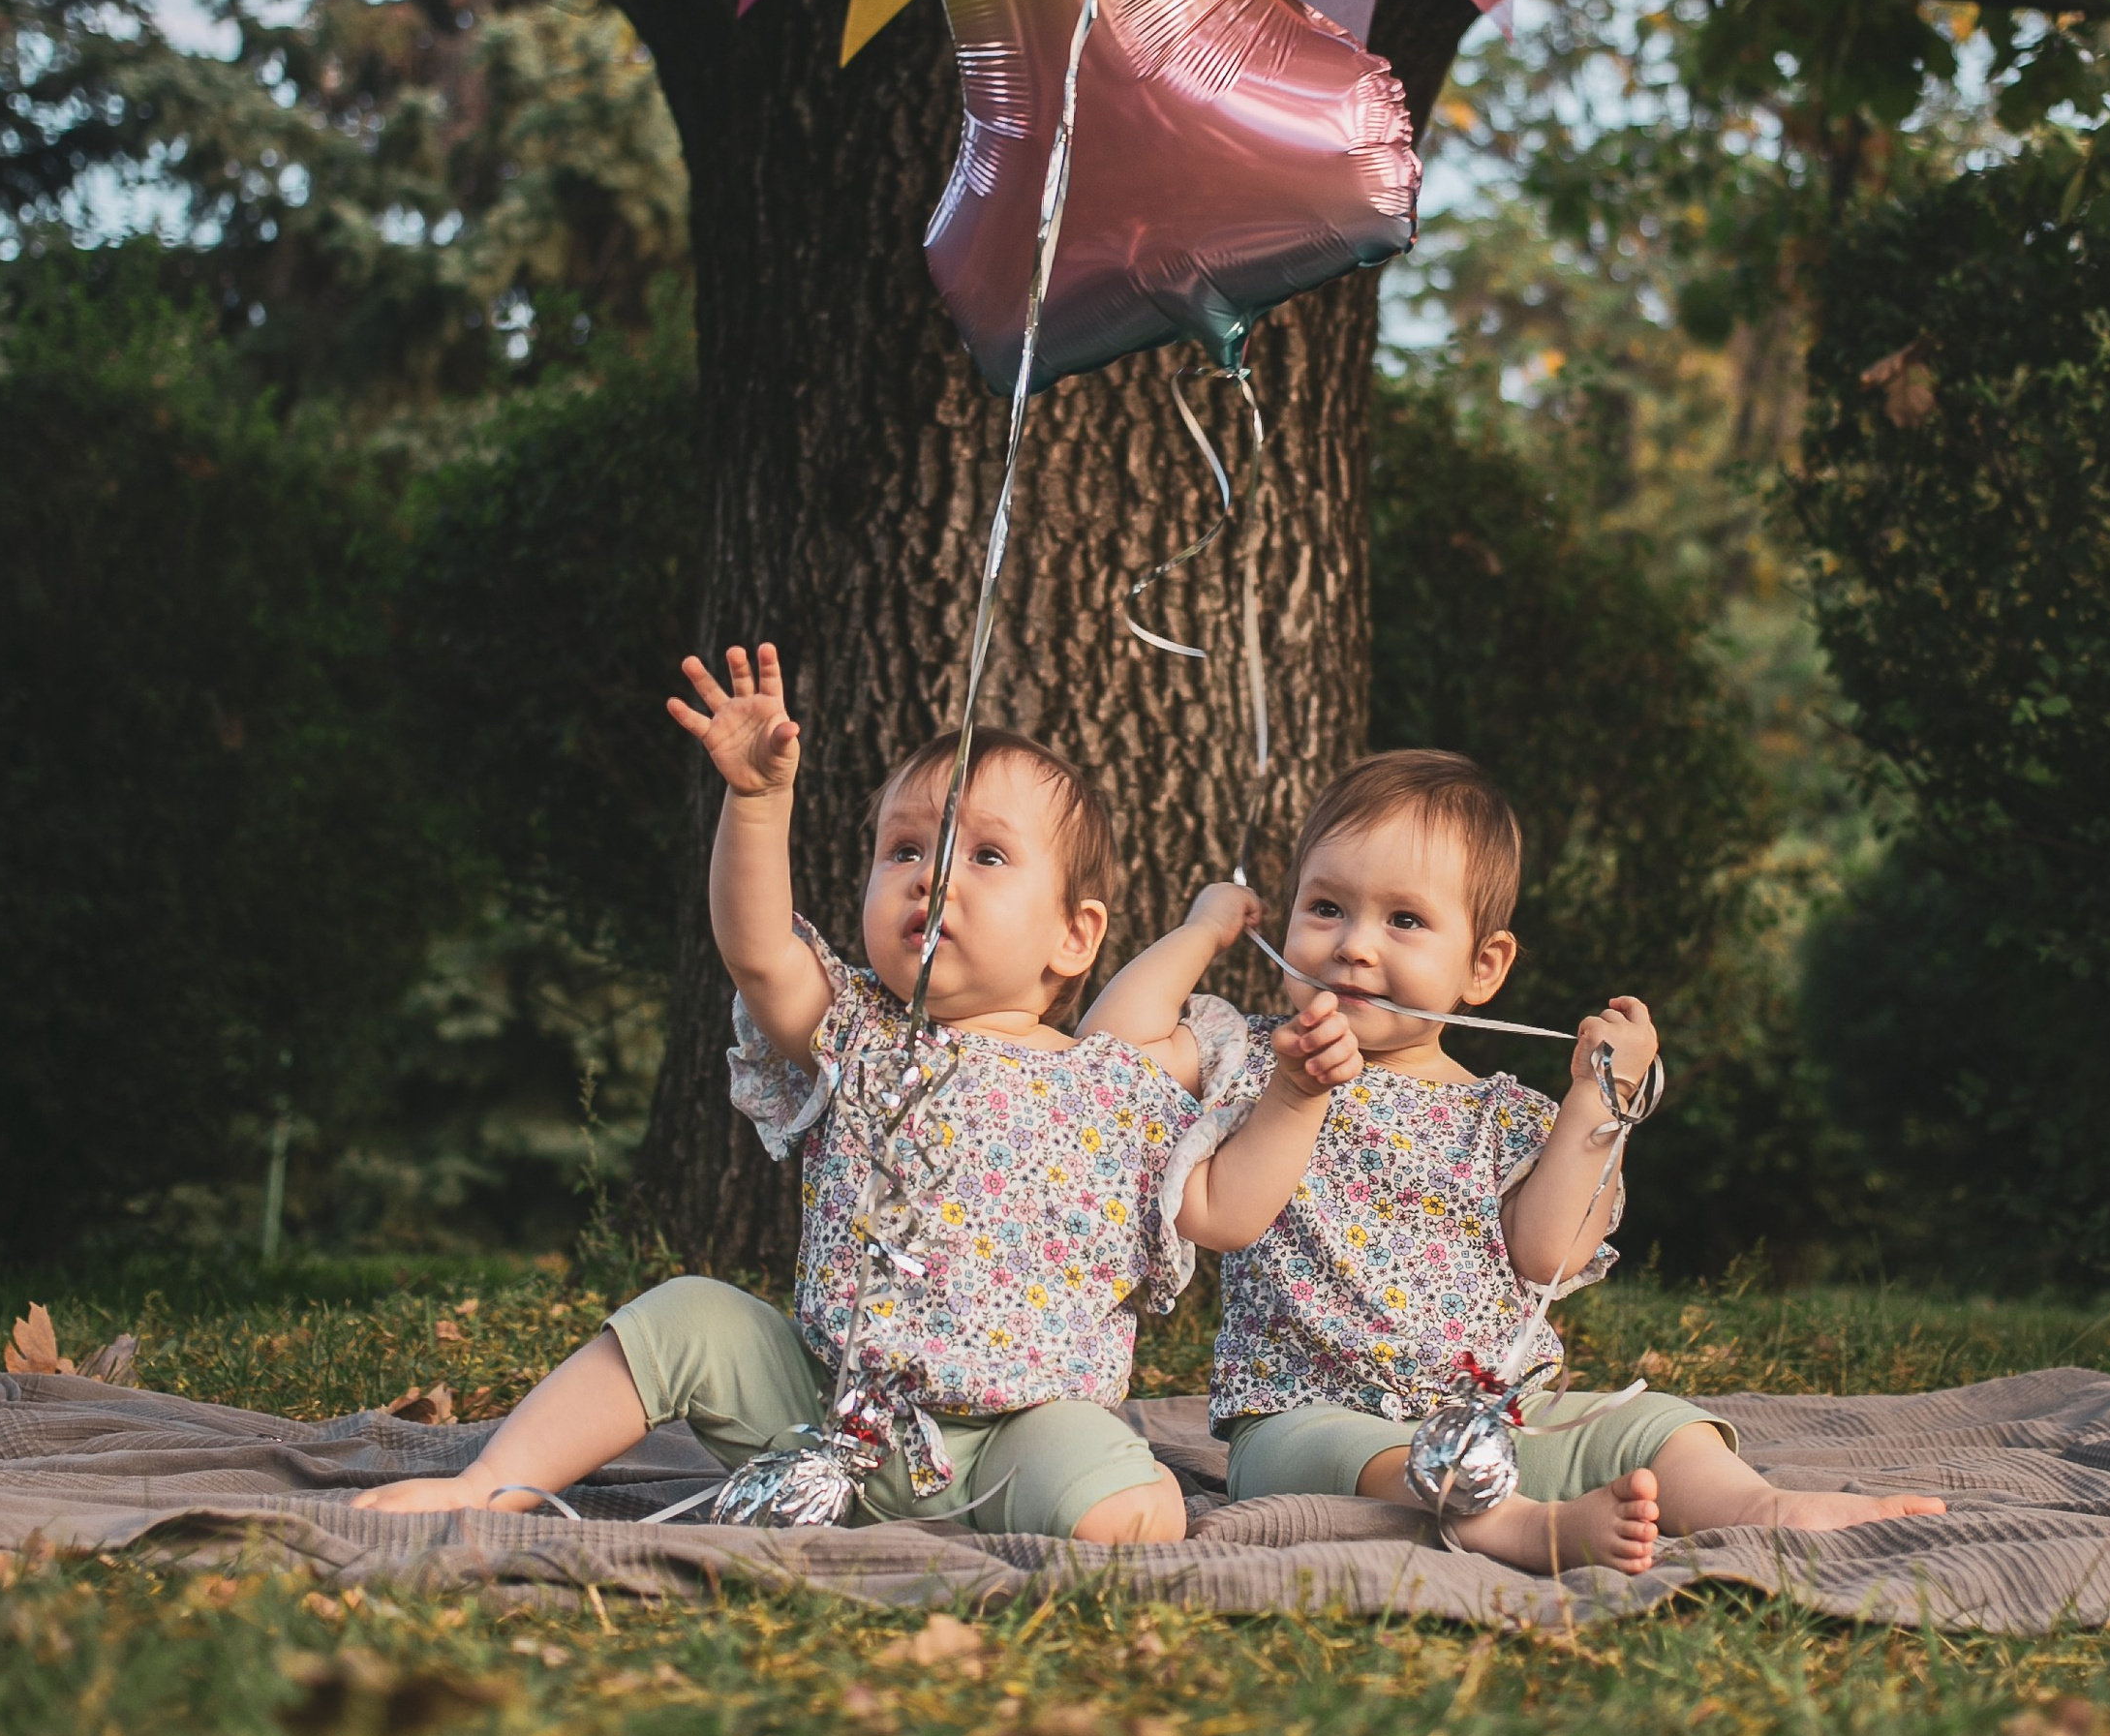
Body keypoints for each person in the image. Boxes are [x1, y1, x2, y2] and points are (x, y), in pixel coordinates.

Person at [357, 645, 1360, 1543]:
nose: (936, 877)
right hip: (823, 1402)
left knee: (1127, 1507)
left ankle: (1071, 1513)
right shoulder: (863, 1029)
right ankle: (490, 1482)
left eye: (987, 854)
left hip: (1015, 1430)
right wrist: (756, 803)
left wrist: (1295, 1098)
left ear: (1074, 936)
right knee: (684, 1315)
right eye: (907, 848)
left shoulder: (1112, 1080)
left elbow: (1226, 1212)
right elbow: (757, 953)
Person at [1083, 747, 1946, 1573]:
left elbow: (1552, 1253)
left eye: (1405, 920)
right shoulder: (1252, 1052)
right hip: (1312, 1415)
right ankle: (1513, 1523)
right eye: (1326, 908)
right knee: (1334, 1452)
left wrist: (1599, 1102)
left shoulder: (1503, 1114)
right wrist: (1201, 932)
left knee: (1657, 1425)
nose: (1354, 944)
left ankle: (1759, 1508)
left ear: (1483, 966)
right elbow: (1107, 1052)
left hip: (1503, 1415)